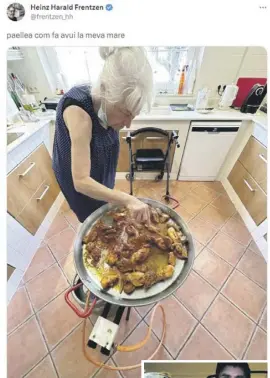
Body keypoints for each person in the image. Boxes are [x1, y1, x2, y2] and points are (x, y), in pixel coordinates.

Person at [53, 47, 154, 223]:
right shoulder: (79, 113)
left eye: (133, 115)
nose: (128, 124)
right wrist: (127, 199)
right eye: (125, 112)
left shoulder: (110, 109)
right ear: (105, 91)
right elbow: (81, 181)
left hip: (99, 166)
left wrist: (112, 193)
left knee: (104, 198)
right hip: (78, 176)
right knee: (92, 214)